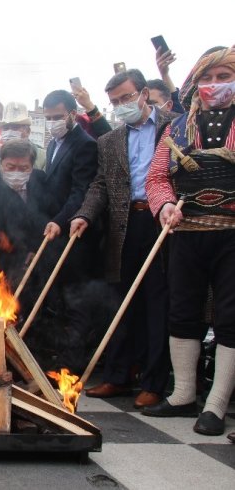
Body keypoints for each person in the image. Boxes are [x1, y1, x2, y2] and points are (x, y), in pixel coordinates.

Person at [71, 69, 179, 408]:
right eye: (115, 102)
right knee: (121, 300)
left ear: (144, 93)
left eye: (127, 98)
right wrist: (84, 214)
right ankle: (117, 376)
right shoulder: (110, 140)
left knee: (157, 302)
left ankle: (154, 382)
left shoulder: (175, 126)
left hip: (163, 220)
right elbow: (101, 184)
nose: (121, 106)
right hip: (124, 222)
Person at [142, 47, 235, 437]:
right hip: (186, 234)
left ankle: (216, 403)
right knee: (181, 311)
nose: (215, 85)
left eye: (224, 76)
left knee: (230, 318)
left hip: (232, 235)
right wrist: (164, 206)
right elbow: (157, 177)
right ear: (196, 82)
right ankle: (182, 394)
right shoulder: (176, 129)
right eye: (208, 78)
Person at [40, 89, 99, 371]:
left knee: (76, 303)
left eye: (57, 116)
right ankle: (59, 359)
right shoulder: (53, 144)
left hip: (75, 236)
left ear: (72, 115)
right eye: (48, 117)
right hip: (55, 234)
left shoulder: (83, 145)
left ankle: (71, 367)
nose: (53, 122)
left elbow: (79, 192)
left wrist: (60, 220)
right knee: (59, 301)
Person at [0, 139, 51, 312]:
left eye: (23, 169)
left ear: (32, 166)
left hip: (38, 262)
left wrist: (35, 249)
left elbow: (47, 217)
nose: (16, 173)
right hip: (4, 265)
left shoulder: (41, 181)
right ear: (1, 164)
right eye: (10, 167)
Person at [0, 101, 47, 170]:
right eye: (6, 128)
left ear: (28, 131)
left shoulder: (42, 157)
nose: (9, 132)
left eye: (15, 128)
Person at [155, 46, 186, 114]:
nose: (149, 108)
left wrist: (164, 74)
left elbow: (177, 103)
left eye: (154, 103)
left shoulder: (176, 122)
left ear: (169, 105)